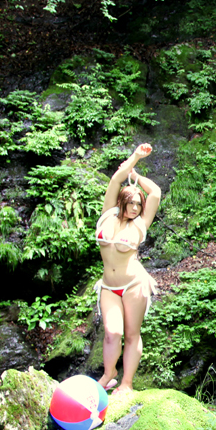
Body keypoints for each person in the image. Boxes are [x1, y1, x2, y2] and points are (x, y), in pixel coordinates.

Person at [94, 143, 161, 395]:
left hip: (134, 284)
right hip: (108, 286)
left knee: (132, 334)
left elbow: (155, 192)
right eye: (131, 203)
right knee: (112, 332)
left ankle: (127, 383)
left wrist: (136, 176)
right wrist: (134, 158)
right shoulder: (107, 215)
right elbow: (115, 180)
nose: (135, 208)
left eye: (138, 205)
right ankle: (109, 373)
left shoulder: (141, 224)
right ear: (121, 201)